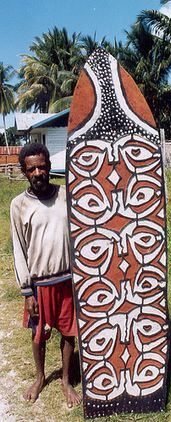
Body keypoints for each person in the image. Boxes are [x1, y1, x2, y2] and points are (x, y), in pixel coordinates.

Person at [10, 143, 81, 407]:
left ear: (49, 167)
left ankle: (65, 380)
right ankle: (40, 377)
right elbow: (18, 249)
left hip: (67, 279)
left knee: (68, 332)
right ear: (24, 172)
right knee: (38, 334)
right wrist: (27, 291)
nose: (38, 172)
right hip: (39, 283)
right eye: (32, 169)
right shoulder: (18, 205)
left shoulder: (67, 195)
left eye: (42, 166)